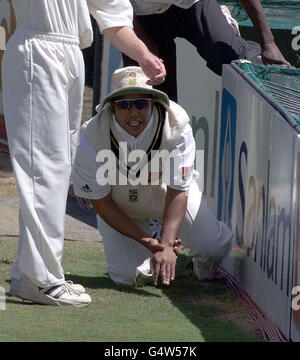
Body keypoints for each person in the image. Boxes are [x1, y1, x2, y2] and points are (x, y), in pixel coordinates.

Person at [2, 0, 166, 307]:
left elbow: (111, 12)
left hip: (70, 53)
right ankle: (43, 279)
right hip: (37, 47)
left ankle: (30, 275)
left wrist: (143, 55)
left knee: (57, 168)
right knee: (43, 169)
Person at [72, 66, 233, 287]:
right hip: (122, 207)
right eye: (124, 105)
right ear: (112, 108)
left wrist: (166, 244)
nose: (133, 112)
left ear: (153, 103)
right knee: (128, 277)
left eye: (140, 104)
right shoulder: (90, 136)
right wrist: (150, 243)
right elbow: (102, 203)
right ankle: (156, 246)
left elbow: (178, 190)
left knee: (212, 247)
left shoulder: (176, 126)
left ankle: (191, 259)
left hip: (168, 199)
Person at [122, 0, 290, 101]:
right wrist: (141, 43)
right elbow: (117, 6)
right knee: (150, 93)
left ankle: (248, 50)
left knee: (228, 58)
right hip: (142, 16)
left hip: (194, 5)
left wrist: (269, 43)